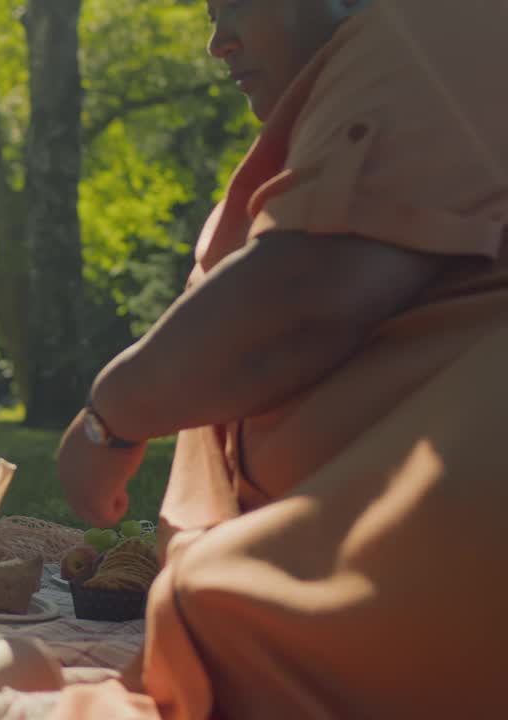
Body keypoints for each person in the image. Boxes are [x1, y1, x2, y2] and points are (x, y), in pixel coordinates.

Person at [48, 0, 508, 716]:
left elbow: (314, 291)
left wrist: (112, 418)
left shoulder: (426, 25)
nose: (217, 41)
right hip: (300, 643)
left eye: (235, 5)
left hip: (382, 638)